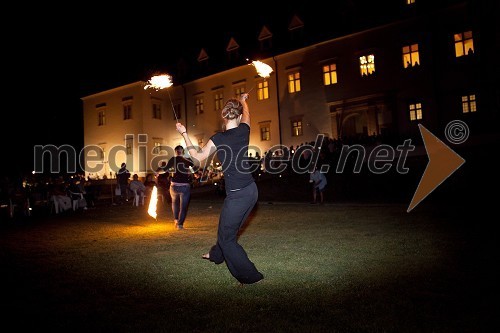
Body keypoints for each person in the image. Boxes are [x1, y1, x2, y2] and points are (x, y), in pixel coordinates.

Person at [175, 93, 264, 285]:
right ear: (238, 116)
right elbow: (248, 114)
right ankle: (216, 255)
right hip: (251, 191)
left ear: (224, 116)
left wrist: (183, 133)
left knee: (227, 239)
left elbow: (197, 159)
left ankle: (250, 276)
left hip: (238, 195)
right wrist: (243, 100)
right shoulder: (244, 129)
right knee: (226, 230)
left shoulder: (218, 138)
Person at [164, 145, 196, 230]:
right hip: (184, 185)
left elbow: (165, 169)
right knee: (183, 206)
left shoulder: (173, 159)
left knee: (174, 203)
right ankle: (180, 224)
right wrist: (192, 172)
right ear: (183, 152)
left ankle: (175, 220)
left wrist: (157, 172)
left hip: (174, 185)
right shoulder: (187, 159)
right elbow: (194, 168)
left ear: (175, 152)